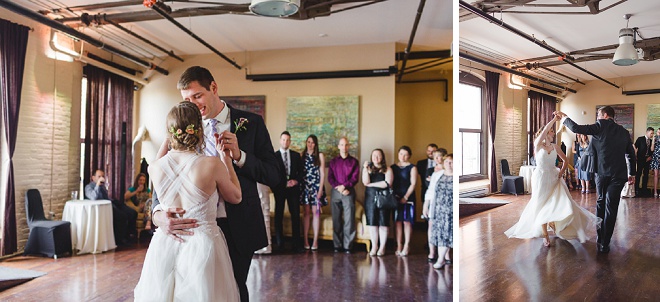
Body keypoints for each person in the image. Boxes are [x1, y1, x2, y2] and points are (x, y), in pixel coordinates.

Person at [151, 66, 282, 301]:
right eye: (187, 99)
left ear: (214, 87)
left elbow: (274, 175)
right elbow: (163, 177)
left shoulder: (251, 123)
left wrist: (240, 156)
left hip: (238, 225)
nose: (193, 104)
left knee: (232, 289)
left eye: (197, 96)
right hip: (189, 231)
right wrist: (157, 214)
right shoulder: (181, 129)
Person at [134, 101, 241, 301]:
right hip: (203, 246)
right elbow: (236, 197)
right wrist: (226, 159)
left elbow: (160, 160)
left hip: (165, 244)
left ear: (170, 133)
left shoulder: (154, 168)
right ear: (199, 130)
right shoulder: (212, 164)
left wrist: (168, 139)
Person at [505, 115, 602, 247]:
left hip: (554, 177)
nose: (552, 132)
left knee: (560, 202)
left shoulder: (556, 147)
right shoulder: (538, 145)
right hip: (541, 177)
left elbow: (566, 161)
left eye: (551, 131)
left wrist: (560, 174)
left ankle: (560, 226)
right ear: (545, 133)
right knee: (541, 204)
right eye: (550, 131)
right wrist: (554, 120)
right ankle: (545, 235)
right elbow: (545, 129)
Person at [555, 107, 636, 253]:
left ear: (605, 115)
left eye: (598, 114)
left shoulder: (600, 125)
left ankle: (600, 237)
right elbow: (630, 154)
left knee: (601, 202)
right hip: (619, 175)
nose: (597, 117)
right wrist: (632, 173)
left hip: (602, 173)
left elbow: (576, 128)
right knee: (612, 208)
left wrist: (565, 118)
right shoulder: (624, 132)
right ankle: (605, 242)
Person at [85, 169, 137, 246]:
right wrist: (97, 185)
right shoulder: (89, 187)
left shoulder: (102, 186)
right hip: (104, 207)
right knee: (122, 216)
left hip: (111, 202)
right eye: (99, 176)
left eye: (102, 176)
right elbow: (94, 197)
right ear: (93, 178)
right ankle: (120, 239)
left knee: (132, 213)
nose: (101, 178)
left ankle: (130, 234)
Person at [328, 137, 360, 253]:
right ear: (338, 146)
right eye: (342, 144)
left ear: (349, 146)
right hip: (336, 192)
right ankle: (337, 245)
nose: (344, 147)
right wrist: (340, 188)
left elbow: (355, 178)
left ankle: (348, 246)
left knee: (349, 220)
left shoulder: (354, 162)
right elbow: (330, 178)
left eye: (346, 144)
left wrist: (345, 186)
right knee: (336, 220)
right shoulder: (333, 162)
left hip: (349, 192)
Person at [273, 131, 303, 252]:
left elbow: (301, 173)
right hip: (280, 189)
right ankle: (280, 244)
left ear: (290, 142)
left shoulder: (296, 156)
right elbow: (273, 174)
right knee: (278, 216)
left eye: (288, 140)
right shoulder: (274, 156)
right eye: (284, 140)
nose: (286, 142)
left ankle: (296, 245)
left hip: (293, 190)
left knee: (295, 216)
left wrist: (296, 181)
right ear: (280, 141)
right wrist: (281, 184)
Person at [423, 154, 453, 270]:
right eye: (447, 162)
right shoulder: (437, 175)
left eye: (451, 162)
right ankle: (440, 258)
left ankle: (441, 259)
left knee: (447, 234)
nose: (449, 164)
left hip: (450, 211)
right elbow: (430, 191)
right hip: (439, 210)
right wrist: (426, 206)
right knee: (440, 235)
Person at [362, 148, 394, 257]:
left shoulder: (387, 169)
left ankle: (382, 247)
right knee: (372, 223)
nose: (376, 158)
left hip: (384, 199)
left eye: (379, 155)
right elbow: (365, 181)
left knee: (383, 223)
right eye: (374, 155)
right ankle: (374, 246)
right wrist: (365, 169)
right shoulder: (368, 169)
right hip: (370, 199)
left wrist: (371, 185)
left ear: (382, 157)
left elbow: (387, 183)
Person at [301, 134, 326, 251]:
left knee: (316, 213)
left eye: (312, 142)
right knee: (306, 213)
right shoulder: (302, 155)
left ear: (315, 144)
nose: (310, 144)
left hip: (316, 187)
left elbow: (322, 174)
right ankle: (305, 239)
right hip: (305, 187)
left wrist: (320, 190)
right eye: (308, 142)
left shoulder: (320, 156)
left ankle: (315, 241)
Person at [392, 146, 418, 256]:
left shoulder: (412, 167)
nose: (403, 156)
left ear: (409, 156)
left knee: (407, 222)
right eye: (401, 153)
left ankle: (407, 245)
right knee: (397, 222)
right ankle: (399, 244)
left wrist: (406, 197)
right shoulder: (392, 167)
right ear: (398, 154)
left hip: (408, 197)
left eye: (405, 154)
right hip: (395, 197)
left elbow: (413, 184)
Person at [424, 150, 446, 262]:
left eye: (441, 157)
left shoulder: (448, 172)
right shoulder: (434, 173)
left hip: (445, 204)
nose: (438, 159)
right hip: (433, 203)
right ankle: (432, 252)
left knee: (444, 228)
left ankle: (445, 254)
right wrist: (425, 205)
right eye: (436, 157)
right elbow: (430, 190)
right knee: (431, 227)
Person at [634, 127, 653, 197]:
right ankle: (637, 189)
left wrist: (650, 156)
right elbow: (635, 147)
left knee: (646, 174)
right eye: (651, 133)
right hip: (640, 159)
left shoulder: (651, 141)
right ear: (647, 132)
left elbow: (652, 150)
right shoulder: (640, 139)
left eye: (653, 133)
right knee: (638, 174)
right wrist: (635, 156)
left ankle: (644, 189)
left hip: (648, 160)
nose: (652, 135)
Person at [649, 128, 660, 198]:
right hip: (656, 158)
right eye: (658, 132)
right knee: (656, 175)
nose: (659, 133)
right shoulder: (655, 138)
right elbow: (652, 149)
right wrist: (653, 141)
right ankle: (655, 192)